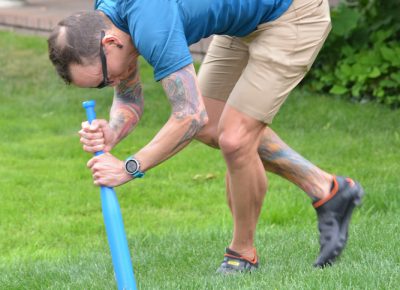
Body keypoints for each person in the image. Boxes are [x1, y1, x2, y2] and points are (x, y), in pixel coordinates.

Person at [48, 0, 364, 273]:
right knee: (217, 126)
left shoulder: (150, 22)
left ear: (108, 43)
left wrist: (129, 166)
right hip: (245, 21)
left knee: (235, 138)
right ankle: (328, 189)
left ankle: (242, 254)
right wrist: (112, 131)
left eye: (104, 80)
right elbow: (129, 96)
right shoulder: (108, 16)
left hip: (292, 13)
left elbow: (190, 114)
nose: (111, 84)